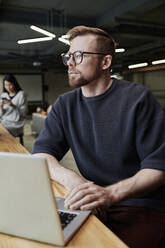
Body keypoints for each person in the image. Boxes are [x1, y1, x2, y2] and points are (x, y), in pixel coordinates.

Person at [32, 26, 165, 248]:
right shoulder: (65, 105)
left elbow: (158, 169)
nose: (71, 63)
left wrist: (109, 194)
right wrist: (73, 181)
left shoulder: (138, 100)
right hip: (94, 200)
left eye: (79, 55)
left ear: (105, 63)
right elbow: (43, 154)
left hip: (143, 205)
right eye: (68, 56)